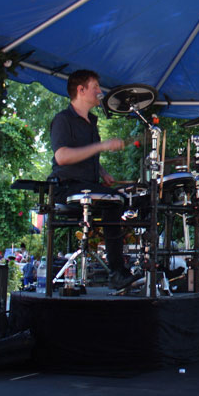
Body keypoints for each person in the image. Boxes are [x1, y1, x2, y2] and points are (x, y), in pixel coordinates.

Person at [49, 69, 137, 290]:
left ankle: (125, 269)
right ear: (81, 90)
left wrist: (102, 171)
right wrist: (102, 146)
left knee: (122, 198)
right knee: (114, 202)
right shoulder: (63, 119)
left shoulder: (91, 122)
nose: (100, 91)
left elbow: (86, 156)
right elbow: (62, 156)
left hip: (88, 186)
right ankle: (117, 272)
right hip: (66, 187)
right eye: (95, 87)